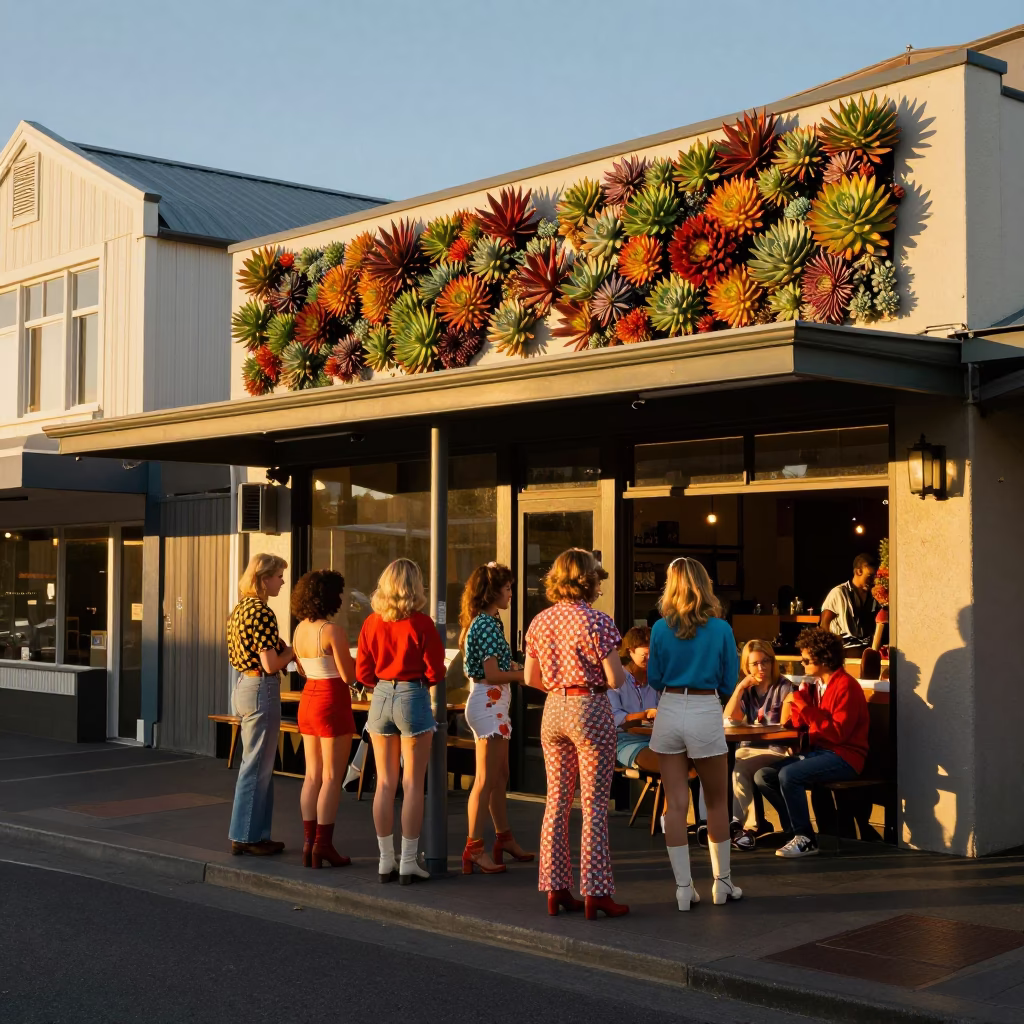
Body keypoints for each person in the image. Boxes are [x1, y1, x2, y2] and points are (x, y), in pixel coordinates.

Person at [523, 548, 627, 921]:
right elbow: (614, 679)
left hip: (553, 710)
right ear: (588, 580)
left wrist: (559, 683)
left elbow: (529, 679)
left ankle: (556, 888)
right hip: (590, 709)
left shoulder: (540, 621)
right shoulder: (597, 621)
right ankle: (595, 892)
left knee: (556, 801)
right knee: (595, 805)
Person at [647, 557, 741, 912]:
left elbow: (654, 678)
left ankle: (684, 889)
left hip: (669, 706)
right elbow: (729, 681)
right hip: (704, 707)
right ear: (705, 585)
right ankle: (722, 882)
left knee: (675, 803)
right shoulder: (720, 629)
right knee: (716, 801)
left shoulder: (658, 629)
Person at [356, 558, 446, 884]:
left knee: (384, 783)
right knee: (412, 785)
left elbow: (362, 673)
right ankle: (409, 861)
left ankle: (385, 861)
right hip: (412, 695)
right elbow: (436, 671)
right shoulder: (422, 624)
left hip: (380, 696)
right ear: (414, 586)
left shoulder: (371, 623)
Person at [754, 627, 869, 858]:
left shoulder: (846, 686)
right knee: (763, 775)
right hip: (821, 752)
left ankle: (805, 838)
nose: (802, 662)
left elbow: (838, 734)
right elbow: (803, 725)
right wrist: (798, 706)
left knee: (790, 775)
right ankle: (795, 831)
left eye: (806, 659)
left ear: (824, 658)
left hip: (845, 757)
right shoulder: (818, 686)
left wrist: (806, 707)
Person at [458, 562, 534, 875]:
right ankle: (474, 848)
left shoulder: (488, 621)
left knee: (499, 775)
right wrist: (525, 675)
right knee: (487, 779)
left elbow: (497, 666)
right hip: (489, 704)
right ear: (493, 591)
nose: (512, 594)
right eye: (508, 589)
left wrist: (518, 669)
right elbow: (492, 674)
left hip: (493, 704)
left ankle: (504, 839)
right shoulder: (487, 625)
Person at [226, 553, 294, 857]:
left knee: (257, 765)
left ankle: (256, 833)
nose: (282, 581)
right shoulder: (263, 613)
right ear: (264, 579)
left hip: (243, 685)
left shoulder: (239, 610)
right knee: (257, 767)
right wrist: (290, 655)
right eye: (279, 575)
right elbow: (269, 664)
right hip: (261, 688)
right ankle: (246, 835)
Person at [291, 569, 357, 869]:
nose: (342, 599)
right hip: (332, 700)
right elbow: (349, 675)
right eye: (338, 593)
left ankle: (308, 842)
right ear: (329, 596)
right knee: (332, 777)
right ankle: (323, 845)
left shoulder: (300, 629)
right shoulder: (332, 630)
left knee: (313, 775)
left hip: (308, 699)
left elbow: (303, 670)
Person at [723, 640, 793, 851]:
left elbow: (786, 727)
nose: (761, 668)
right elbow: (730, 718)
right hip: (750, 749)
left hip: (777, 749)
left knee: (740, 766)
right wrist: (739, 688)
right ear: (746, 667)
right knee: (737, 763)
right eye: (754, 664)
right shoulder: (748, 690)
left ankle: (743, 825)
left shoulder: (785, 687)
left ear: (773, 662)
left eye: (765, 662)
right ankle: (749, 824)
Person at [608, 626, 660, 773]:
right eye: (645, 654)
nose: (650, 659)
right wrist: (645, 715)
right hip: (625, 740)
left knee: (689, 761)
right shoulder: (617, 679)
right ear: (630, 651)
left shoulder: (656, 679)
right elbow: (616, 719)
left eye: (654, 654)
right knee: (672, 766)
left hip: (656, 739)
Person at [819, 553, 879, 649]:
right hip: (844, 650)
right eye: (870, 576)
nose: (873, 581)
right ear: (858, 571)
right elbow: (824, 624)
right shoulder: (839, 592)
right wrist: (831, 648)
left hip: (866, 649)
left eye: (875, 577)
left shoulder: (872, 595)